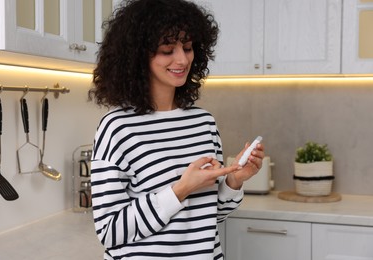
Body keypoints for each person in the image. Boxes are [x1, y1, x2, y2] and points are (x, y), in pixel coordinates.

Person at [88, 0, 265, 259]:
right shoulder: (117, 129)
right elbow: (110, 231)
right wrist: (180, 189)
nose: (182, 59)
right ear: (138, 55)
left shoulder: (203, 123)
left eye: (188, 47)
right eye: (167, 50)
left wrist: (234, 181)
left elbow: (207, 217)